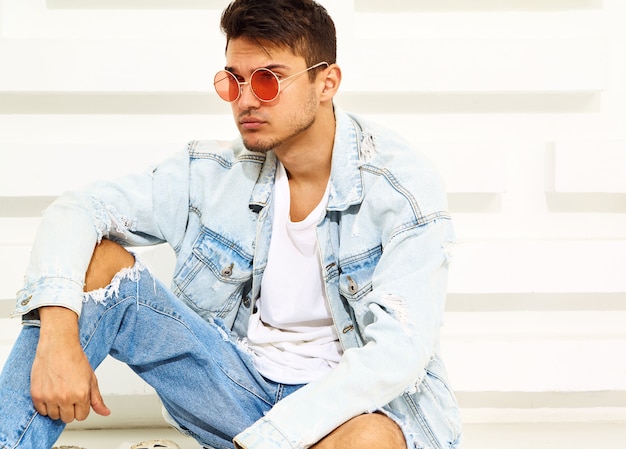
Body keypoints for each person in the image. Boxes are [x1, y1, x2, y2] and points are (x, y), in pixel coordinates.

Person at [0, 0, 462, 448]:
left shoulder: (401, 188)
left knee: (371, 441)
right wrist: (59, 336)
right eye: (234, 81)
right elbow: (77, 209)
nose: (245, 101)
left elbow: (397, 353)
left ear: (326, 82)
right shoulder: (214, 171)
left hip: (346, 414)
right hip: (237, 391)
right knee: (99, 263)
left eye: (268, 80)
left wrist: (274, 438)